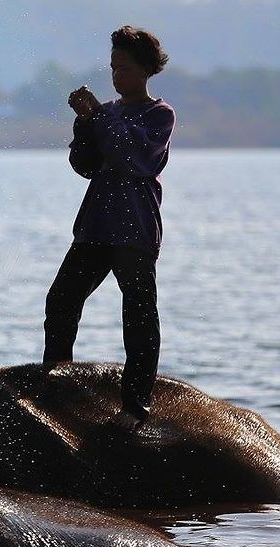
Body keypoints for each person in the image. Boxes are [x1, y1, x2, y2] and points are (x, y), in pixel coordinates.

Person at [43, 26, 175, 430]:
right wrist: (83, 123)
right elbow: (85, 165)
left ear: (146, 70)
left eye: (125, 68)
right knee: (61, 302)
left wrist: (96, 115)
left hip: (134, 230)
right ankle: (56, 387)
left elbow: (130, 155)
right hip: (96, 226)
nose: (117, 75)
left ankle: (135, 406)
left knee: (137, 316)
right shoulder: (110, 112)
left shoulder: (159, 115)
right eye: (113, 67)